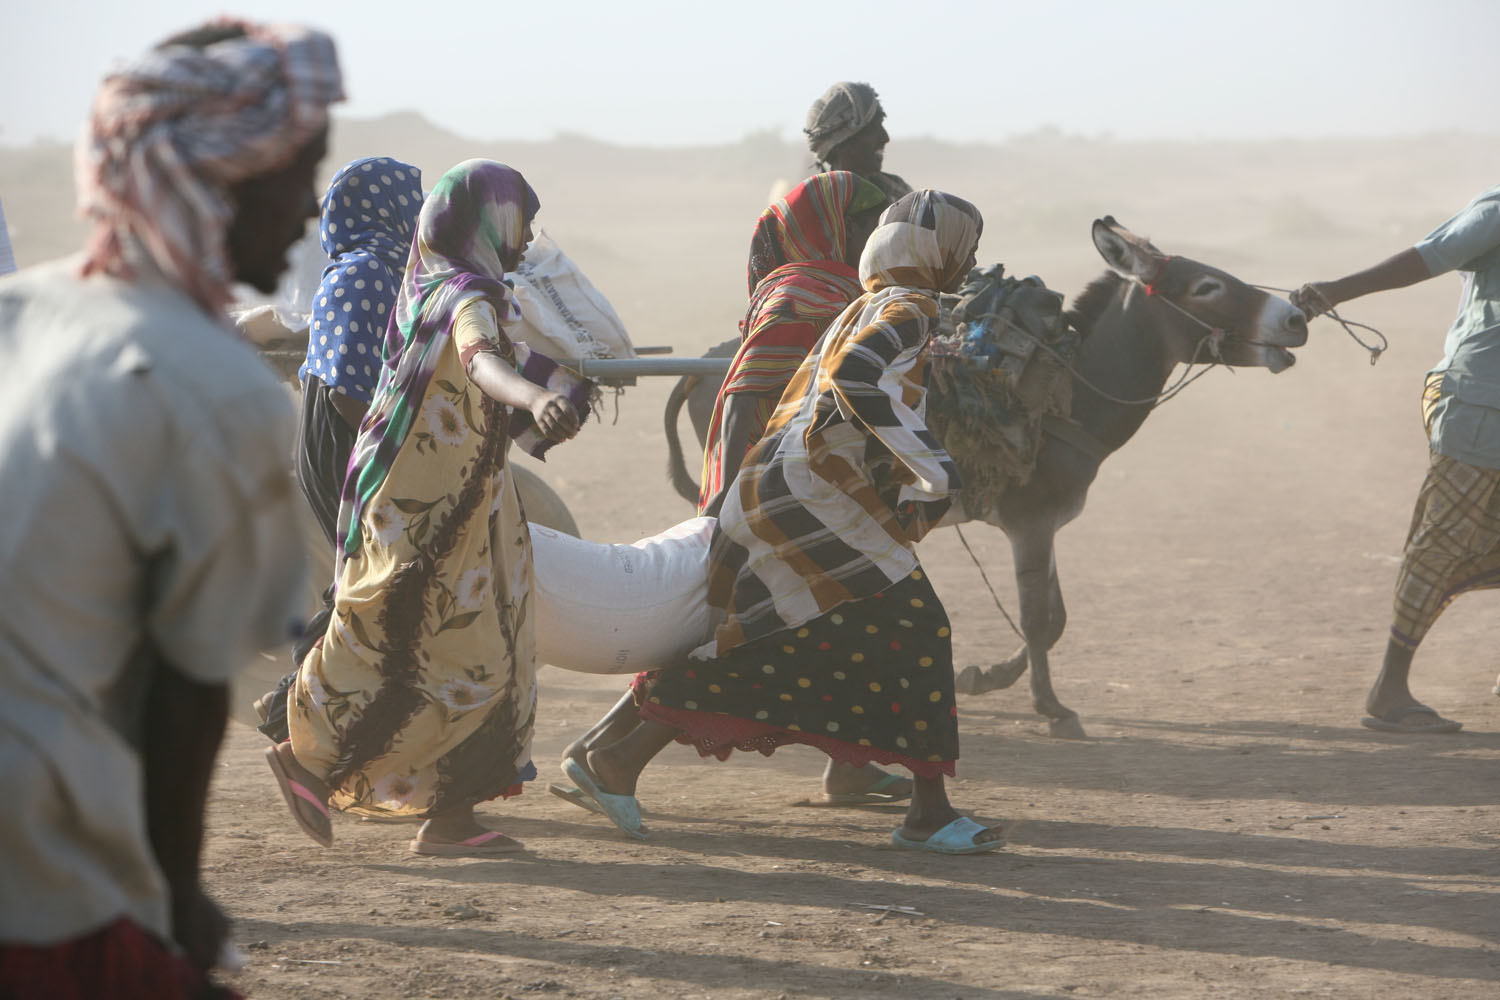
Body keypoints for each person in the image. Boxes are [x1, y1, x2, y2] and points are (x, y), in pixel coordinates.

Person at [0, 20, 339, 997]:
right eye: (296, 169)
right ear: (214, 179)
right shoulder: (216, 384)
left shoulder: (30, 311)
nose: (311, 204)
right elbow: (186, 693)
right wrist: (177, 900)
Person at [561, 190, 1005, 854]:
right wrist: (935, 469)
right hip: (814, 501)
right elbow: (858, 381)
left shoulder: (870, 303)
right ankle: (928, 813)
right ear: (934, 254)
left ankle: (621, 758)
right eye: (962, 252)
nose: (967, 267)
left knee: (786, 638)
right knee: (915, 627)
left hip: (786, 490)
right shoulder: (909, 309)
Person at [266, 159, 593, 858]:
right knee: (421, 644)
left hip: (445, 500)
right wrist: (535, 398)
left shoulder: (425, 283)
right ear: (487, 222)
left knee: (460, 647)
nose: (526, 241)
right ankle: (307, 757)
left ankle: (450, 817)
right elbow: (480, 361)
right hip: (429, 510)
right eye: (521, 224)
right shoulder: (463, 294)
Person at [1293, 181, 1500, 734]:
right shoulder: (1497, 211)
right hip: (1481, 400)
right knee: (1442, 541)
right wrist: (1338, 290)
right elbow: (1428, 258)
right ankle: (1389, 690)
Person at [254, 155, 425, 742]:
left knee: (365, 583)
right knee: (371, 587)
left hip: (342, 438)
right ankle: (289, 712)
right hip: (349, 443)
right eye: (414, 201)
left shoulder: (365, 268)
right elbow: (352, 390)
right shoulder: (369, 275)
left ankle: (295, 713)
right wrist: (395, 453)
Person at [804, 82, 912, 203]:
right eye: (873, 128)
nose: (885, 138)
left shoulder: (899, 195)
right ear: (841, 143)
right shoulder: (813, 207)